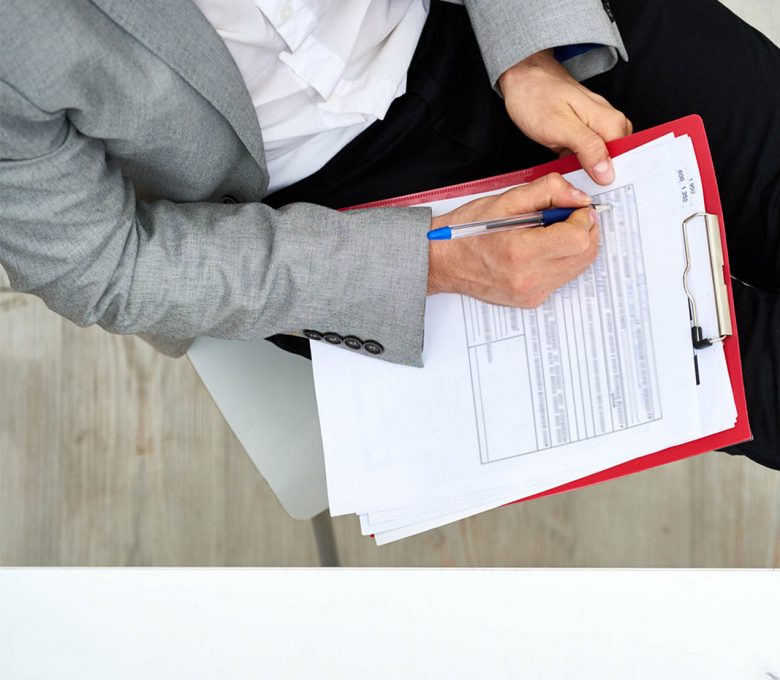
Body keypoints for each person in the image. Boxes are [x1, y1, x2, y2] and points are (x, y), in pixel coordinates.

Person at [1, 0, 778, 468]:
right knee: (750, 374)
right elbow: (103, 263)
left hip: (490, 23)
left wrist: (530, 53)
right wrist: (424, 263)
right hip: (331, 226)